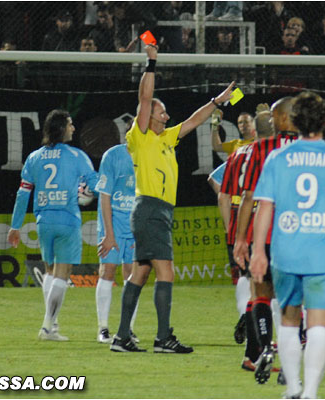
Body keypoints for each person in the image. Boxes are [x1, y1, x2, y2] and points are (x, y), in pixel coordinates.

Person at [109, 44, 235, 353]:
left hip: (156, 211)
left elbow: (195, 119)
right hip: (150, 208)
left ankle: (122, 337)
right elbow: (144, 99)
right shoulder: (140, 136)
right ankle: (163, 337)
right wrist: (151, 64)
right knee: (167, 271)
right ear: (149, 116)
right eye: (160, 110)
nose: (166, 113)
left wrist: (217, 102)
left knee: (141, 272)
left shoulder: (166, 138)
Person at [249, 91, 325, 398]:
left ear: (295, 122)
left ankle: (293, 389)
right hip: (322, 256)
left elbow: (264, 208)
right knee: (317, 324)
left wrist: (258, 251)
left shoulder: (278, 157)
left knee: (288, 320)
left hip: (287, 254)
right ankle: (310, 392)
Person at [7, 110, 98, 341]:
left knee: (49, 271)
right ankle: (47, 326)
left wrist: (15, 225)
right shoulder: (77, 156)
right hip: (67, 221)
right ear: (60, 128)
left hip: (44, 222)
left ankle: (53, 324)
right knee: (62, 273)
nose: (73, 128)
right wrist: (100, 190)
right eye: (70, 124)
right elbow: (95, 184)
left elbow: (22, 193)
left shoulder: (34, 158)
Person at [234, 96, 299, 384]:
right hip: (299, 237)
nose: (270, 122)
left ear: (284, 119)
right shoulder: (310, 150)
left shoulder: (260, 149)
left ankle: (262, 349)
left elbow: (248, 197)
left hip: (266, 234)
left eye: (273, 117)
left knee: (260, 294)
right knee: (293, 304)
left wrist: (240, 238)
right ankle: (290, 362)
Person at [221, 110, 276, 371]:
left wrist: (231, 231)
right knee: (269, 293)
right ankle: (263, 346)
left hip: (239, 226)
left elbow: (225, 194)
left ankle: (252, 349)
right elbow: (250, 195)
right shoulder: (273, 153)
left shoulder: (237, 154)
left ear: (253, 130)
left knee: (250, 283)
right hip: (265, 228)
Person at [95, 143, 141, 345]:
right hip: (111, 223)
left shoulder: (150, 153)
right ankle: (103, 328)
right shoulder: (112, 155)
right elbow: (105, 197)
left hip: (135, 224)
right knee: (108, 270)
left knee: (133, 274)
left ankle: (128, 328)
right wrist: (109, 234)